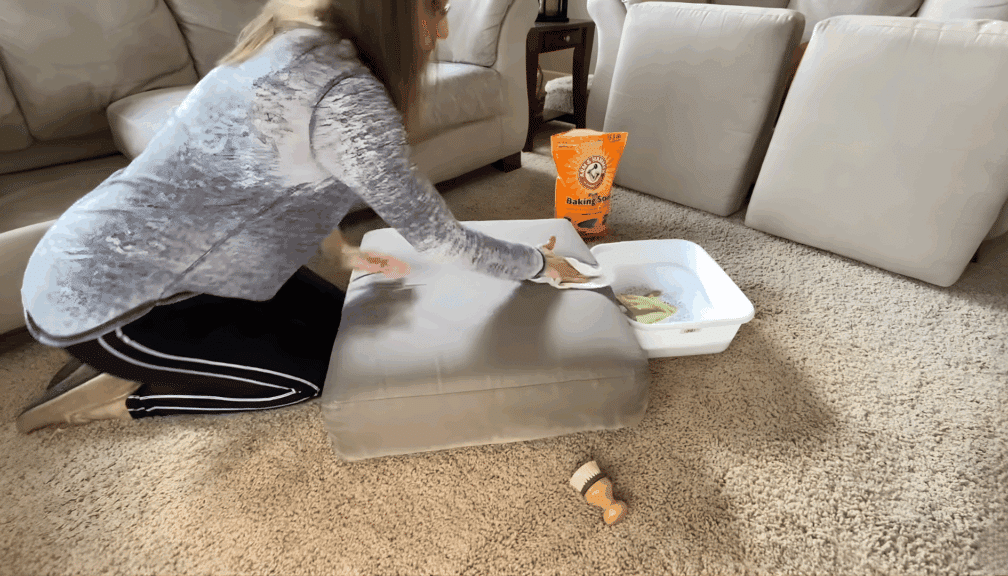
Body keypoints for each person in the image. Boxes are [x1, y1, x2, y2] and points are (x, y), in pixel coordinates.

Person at [16, 0, 590, 434]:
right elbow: (438, 239)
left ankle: (155, 359)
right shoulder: (348, 97)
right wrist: (538, 263)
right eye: (434, 11)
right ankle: (129, 395)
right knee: (313, 377)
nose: (441, 31)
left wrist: (337, 251)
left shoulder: (285, 41)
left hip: (125, 262)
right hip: (104, 305)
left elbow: (285, 176)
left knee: (347, 333)